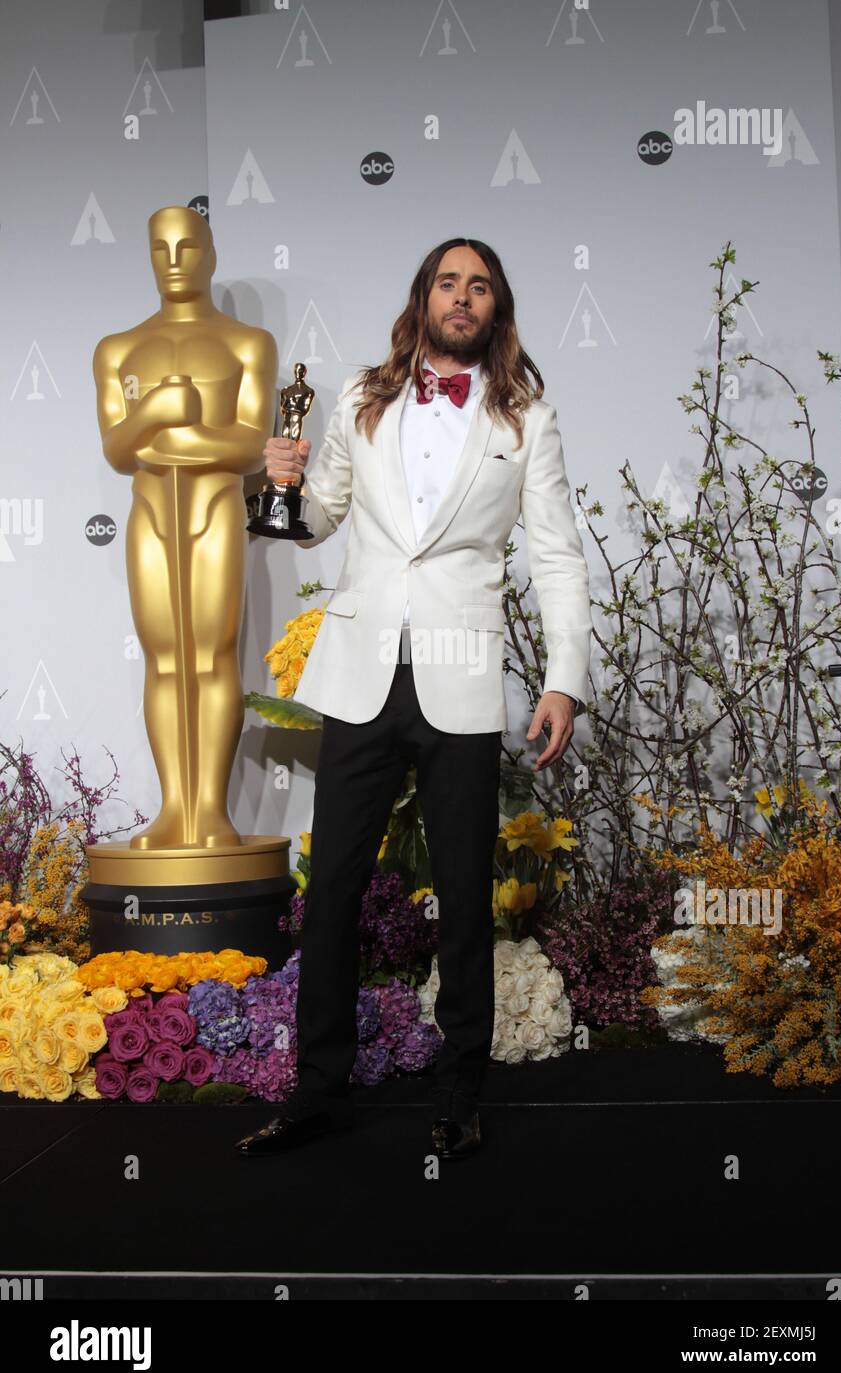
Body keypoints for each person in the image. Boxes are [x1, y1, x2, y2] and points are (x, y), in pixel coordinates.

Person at [235, 238, 591, 1160]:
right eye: (448, 283)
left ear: (496, 306)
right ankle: (319, 1091)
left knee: (466, 895)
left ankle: (460, 1094)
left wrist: (563, 679)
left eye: (479, 286)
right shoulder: (363, 396)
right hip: (360, 673)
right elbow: (319, 519)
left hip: (460, 673)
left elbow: (554, 553)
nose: (462, 299)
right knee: (332, 894)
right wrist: (274, 485)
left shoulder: (528, 420)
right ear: (424, 298)